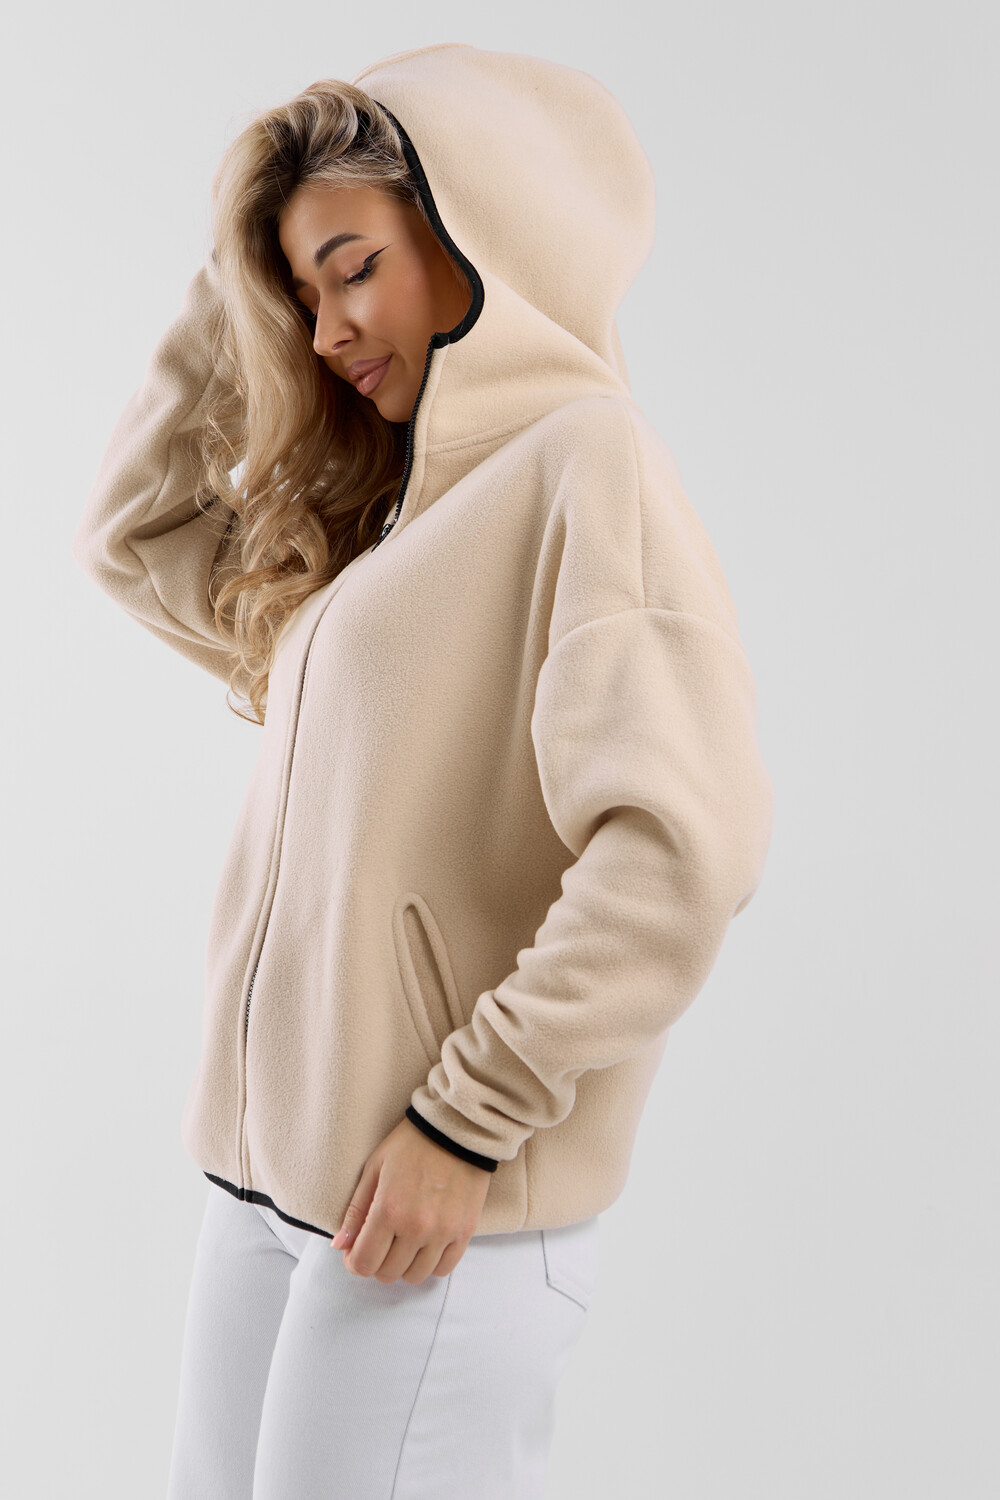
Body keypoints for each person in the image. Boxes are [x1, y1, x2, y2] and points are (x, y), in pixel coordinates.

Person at [71, 42, 775, 1500]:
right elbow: (136, 536)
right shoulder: (376, 516)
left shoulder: (588, 465)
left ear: (472, 233)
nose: (329, 328)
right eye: (302, 295)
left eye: (355, 270)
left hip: (437, 1210)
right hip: (270, 1191)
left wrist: (469, 1117)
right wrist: (239, 282)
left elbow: (681, 852)